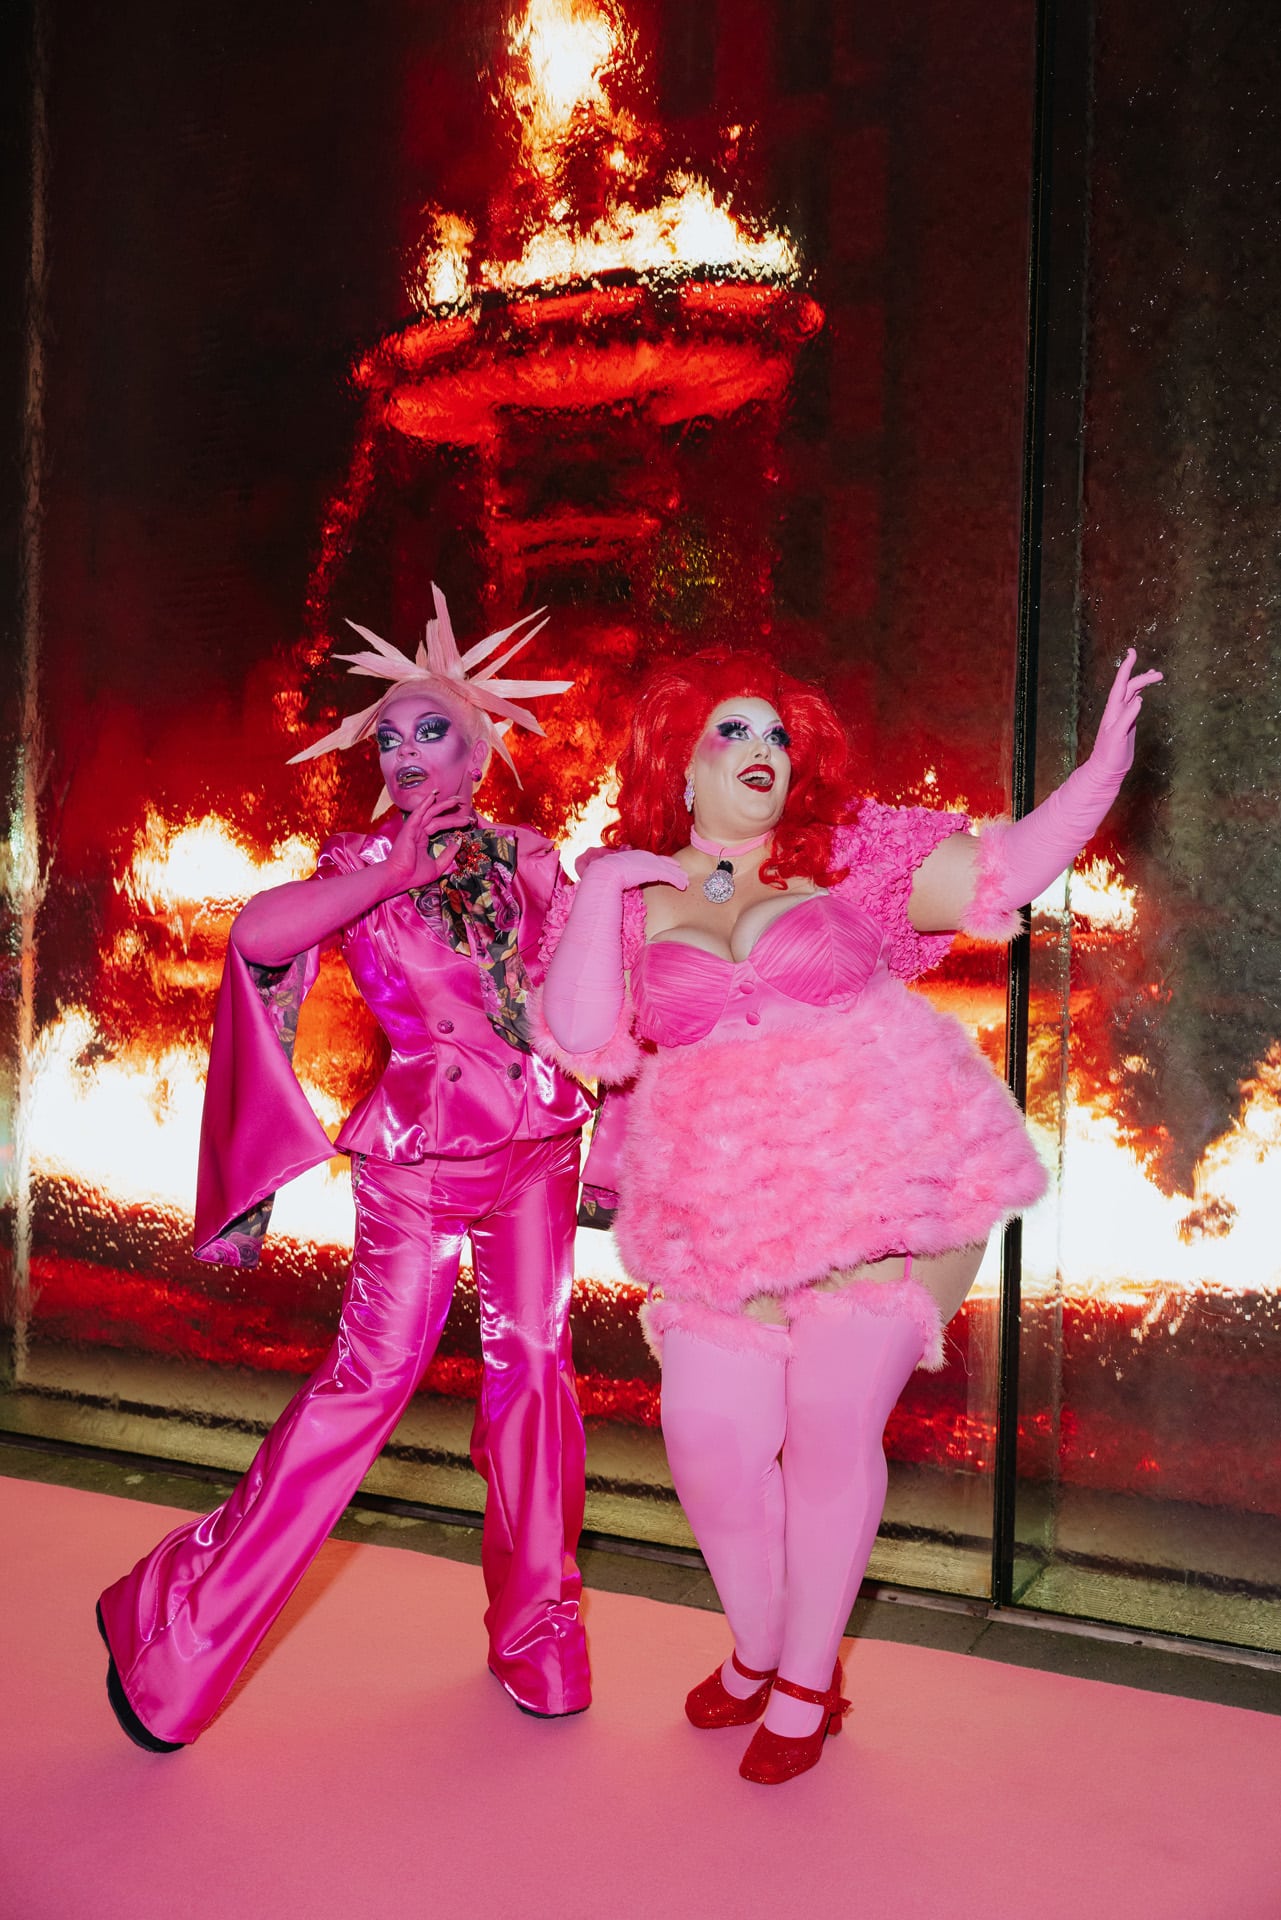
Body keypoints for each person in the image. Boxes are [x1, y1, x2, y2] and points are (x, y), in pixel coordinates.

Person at [537, 645, 1161, 1785]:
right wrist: (600, 888)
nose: (762, 749)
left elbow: (1008, 867)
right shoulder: (629, 893)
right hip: (725, 1201)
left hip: (886, 1171)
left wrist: (1100, 772)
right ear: (677, 761)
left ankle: (806, 1683)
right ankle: (763, 1646)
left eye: (778, 733)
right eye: (733, 731)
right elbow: (581, 1041)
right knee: (712, 1444)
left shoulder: (850, 854)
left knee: (829, 1426)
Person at [96, 587, 596, 1749]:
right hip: (418, 1153)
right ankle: (177, 1629)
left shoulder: (529, 859)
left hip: (535, 1147)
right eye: (390, 735)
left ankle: (540, 1634)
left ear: (478, 751)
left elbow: (582, 997)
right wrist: (384, 877)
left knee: (537, 1375)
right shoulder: (356, 858)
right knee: (365, 1387)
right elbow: (257, 939)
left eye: (432, 730)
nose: (408, 749)